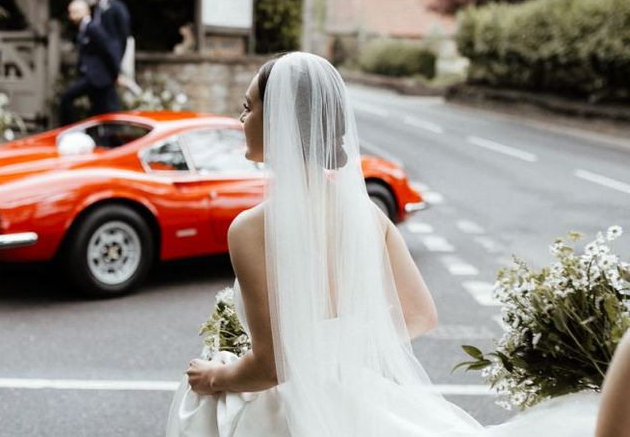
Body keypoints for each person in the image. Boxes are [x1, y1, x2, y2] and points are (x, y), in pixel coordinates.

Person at [167, 52, 607, 436]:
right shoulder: (368, 214)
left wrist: (216, 377)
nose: (240, 120)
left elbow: (271, 367)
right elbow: (420, 314)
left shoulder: (249, 229)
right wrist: (341, 349)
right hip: (361, 398)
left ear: (278, 118)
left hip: (292, 415)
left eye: (247, 108)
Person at [59, 0, 122, 125]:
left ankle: (71, 131)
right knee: (100, 111)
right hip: (94, 78)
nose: (71, 16)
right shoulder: (84, 29)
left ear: (85, 11)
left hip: (98, 78)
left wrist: (115, 74)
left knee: (67, 98)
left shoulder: (93, 28)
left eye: (74, 12)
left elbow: (108, 50)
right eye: (70, 12)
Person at [89, 0, 131, 74]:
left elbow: (124, 31)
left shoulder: (117, 6)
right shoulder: (92, 8)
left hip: (113, 51)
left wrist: (119, 53)